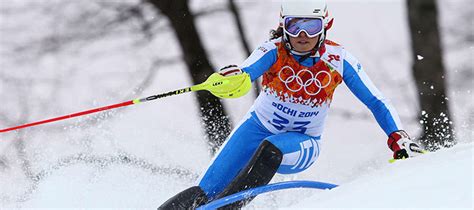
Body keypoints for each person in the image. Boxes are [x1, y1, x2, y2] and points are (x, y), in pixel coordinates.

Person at [159, 0, 424, 209]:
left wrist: (396, 136)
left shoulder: (338, 59)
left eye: (312, 26)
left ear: (325, 25)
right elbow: (247, 71)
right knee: (204, 192)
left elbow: (376, 101)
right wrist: (230, 79)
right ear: (284, 25)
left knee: (270, 149)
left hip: (301, 143)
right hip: (256, 128)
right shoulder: (273, 50)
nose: (302, 35)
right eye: (295, 25)